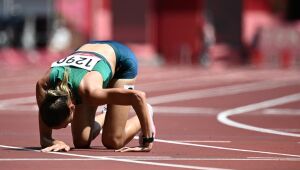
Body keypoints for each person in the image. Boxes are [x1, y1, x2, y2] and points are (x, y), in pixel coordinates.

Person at [36, 40, 156, 152]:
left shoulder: (91, 93)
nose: (67, 126)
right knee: (81, 141)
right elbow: (44, 139)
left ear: (72, 107)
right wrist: (55, 142)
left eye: (66, 123)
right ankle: (107, 114)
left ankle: (148, 110)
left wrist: (147, 138)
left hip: (121, 61)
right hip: (89, 51)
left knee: (113, 140)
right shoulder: (43, 86)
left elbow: (138, 97)